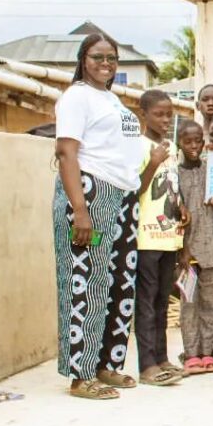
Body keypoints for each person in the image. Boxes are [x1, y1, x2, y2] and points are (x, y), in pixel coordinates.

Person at [53, 33, 144, 399]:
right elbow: (66, 153)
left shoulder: (111, 98)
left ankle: (107, 364)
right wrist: (80, 210)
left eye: (112, 58)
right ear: (83, 59)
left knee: (120, 283)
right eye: (98, 56)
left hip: (123, 195)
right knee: (87, 282)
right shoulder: (76, 97)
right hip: (91, 194)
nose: (106, 63)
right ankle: (81, 374)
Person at [135, 89, 186, 387]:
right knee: (146, 302)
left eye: (169, 114)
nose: (165, 120)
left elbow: (172, 186)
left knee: (163, 301)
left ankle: (162, 358)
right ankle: (147, 365)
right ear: (144, 115)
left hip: (169, 235)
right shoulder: (138, 146)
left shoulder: (172, 147)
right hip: (146, 237)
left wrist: (182, 207)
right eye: (159, 114)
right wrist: (153, 162)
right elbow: (135, 189)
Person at [177, 120, 213, 375]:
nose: (194, 146)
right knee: (189, 303)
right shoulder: (174, 174)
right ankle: (191, 353)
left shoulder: (212, 169)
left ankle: (208, 351)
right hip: (187, 252)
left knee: (211, 302)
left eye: (198, 141)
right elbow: (173, 213)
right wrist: (182, 250)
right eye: (188, 141)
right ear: (179, 143)